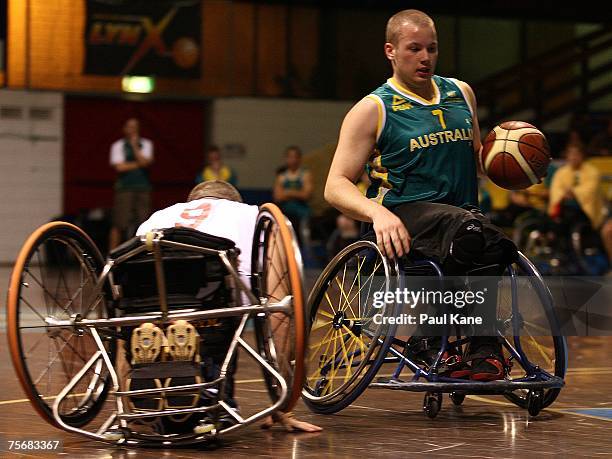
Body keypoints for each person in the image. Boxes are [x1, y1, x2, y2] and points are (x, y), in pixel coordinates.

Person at [324, 9, 518, 381]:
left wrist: (514, 164)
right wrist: (376, 214)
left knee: (486, 239)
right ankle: (458, 341)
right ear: (390, 51)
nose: (425, 57)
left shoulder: (460, 93)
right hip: (402, 215)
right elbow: (335, 184)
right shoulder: (372, 109)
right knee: (475, 233)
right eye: (414, 48)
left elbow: (478, 159)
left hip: (461, 217)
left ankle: (477, 351)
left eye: (432, 48)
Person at [126, 180, 321, 434]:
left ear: (191, 201)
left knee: (132, 321)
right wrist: (282, 404)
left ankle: (135, 404)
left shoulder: (157, 217)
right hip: (214, 297)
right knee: (229, 316)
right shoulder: (253, 214)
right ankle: (210, 395)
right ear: (233, 201)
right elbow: (278, 308)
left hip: (148, 303)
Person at [109, 118, 154, 250]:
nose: (132, 130)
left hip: (143, 188)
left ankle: (142, 252)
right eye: (129, 127)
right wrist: (139, 164)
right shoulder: (118, 145)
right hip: (124, 188)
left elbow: (146, 163)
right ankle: (112, 253)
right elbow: (119, 167)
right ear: (124, 129)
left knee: (144, 222)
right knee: (120, 223)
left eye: (135, 127)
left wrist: (135, 147)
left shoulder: (146, 144)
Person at [273, 146, 313, 241]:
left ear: (299, 159)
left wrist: (288, 192)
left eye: (295, 157)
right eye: (290, 157)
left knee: (304, 235)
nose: (293, 160)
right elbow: (277, 197)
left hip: (302, 214)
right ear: (286, 158)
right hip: (286, 213)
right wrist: (297, 193)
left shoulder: (305, 175)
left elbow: (306, 195)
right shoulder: (281, 177)